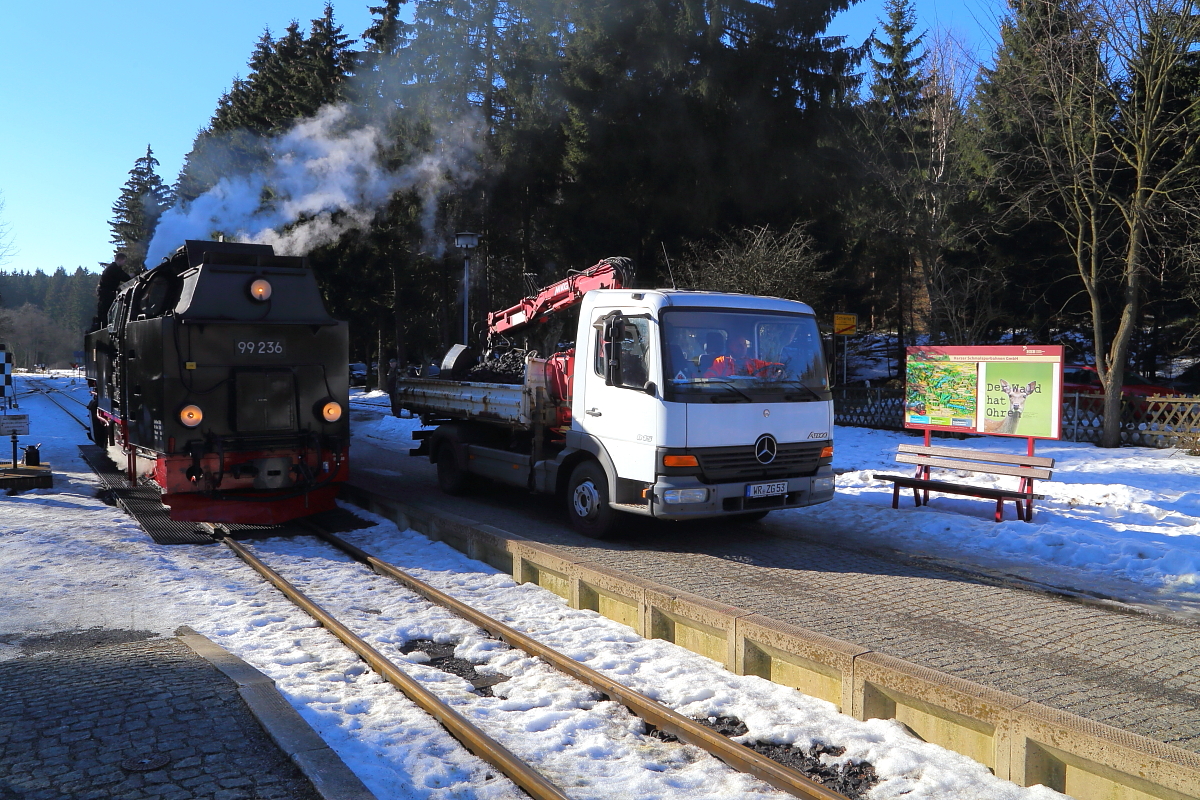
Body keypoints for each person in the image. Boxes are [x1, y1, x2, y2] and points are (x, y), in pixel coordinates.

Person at [704, 336, 775, 378]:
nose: (743, 347)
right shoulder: (721, 362)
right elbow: (709, 379)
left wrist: (779, 370)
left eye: (744, 344)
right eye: (738, 345)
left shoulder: (754, 363)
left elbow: (774, 366)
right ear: (730, 347)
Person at [94, 252, 130, 327]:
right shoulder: (114, 269)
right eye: (124, 261)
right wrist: (136, 273)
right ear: (120, 260)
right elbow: (126, 278)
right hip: (106, 294)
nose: (125, 263)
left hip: (105, 293)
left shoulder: (113, 268)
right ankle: (104, 327)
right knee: (106, 312)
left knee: (104, 311)